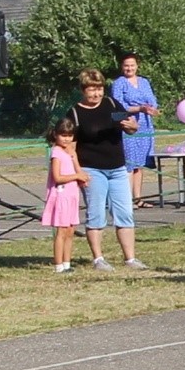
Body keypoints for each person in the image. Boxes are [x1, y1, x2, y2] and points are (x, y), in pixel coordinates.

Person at [69, 69, 144, 270]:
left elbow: (130, 125)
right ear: (83, 91)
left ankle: (130, 258)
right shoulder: (75, 113)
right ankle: (98, 259)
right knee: (96, 214)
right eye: (92, 90)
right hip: (91, 170)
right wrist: (78, 172)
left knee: (124, 213)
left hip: (118, 168)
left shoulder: (111, 105)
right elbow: (70, 146)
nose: (96, 94)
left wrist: (131, 125)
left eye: (99, 89)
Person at [110, 52, 159, 203]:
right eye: (126, 65)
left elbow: (152, 100)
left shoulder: (144, 82)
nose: (129, 68)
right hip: (129, 127)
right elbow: (118, 107)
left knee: (140, 163)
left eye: (132, 65)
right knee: (129, 163)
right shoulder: (119, 83)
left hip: (145, 126)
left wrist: (152, 109)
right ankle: (127, 200)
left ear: (137, 66)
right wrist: (138, 109)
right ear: (122, 67)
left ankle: (138, 198)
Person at [43, 118, 85, 273]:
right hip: (61, 196)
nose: (67, 138)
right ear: (55, 135)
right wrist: (76, 177)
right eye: (63, 135)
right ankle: (59, 265)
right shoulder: (56, 153)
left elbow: (78, 171)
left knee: (70, 231)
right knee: (61, 232)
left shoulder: (69, 152)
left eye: (70, 135)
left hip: (72, 195)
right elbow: (58, 177)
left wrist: (80, 175)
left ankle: (67, 263)